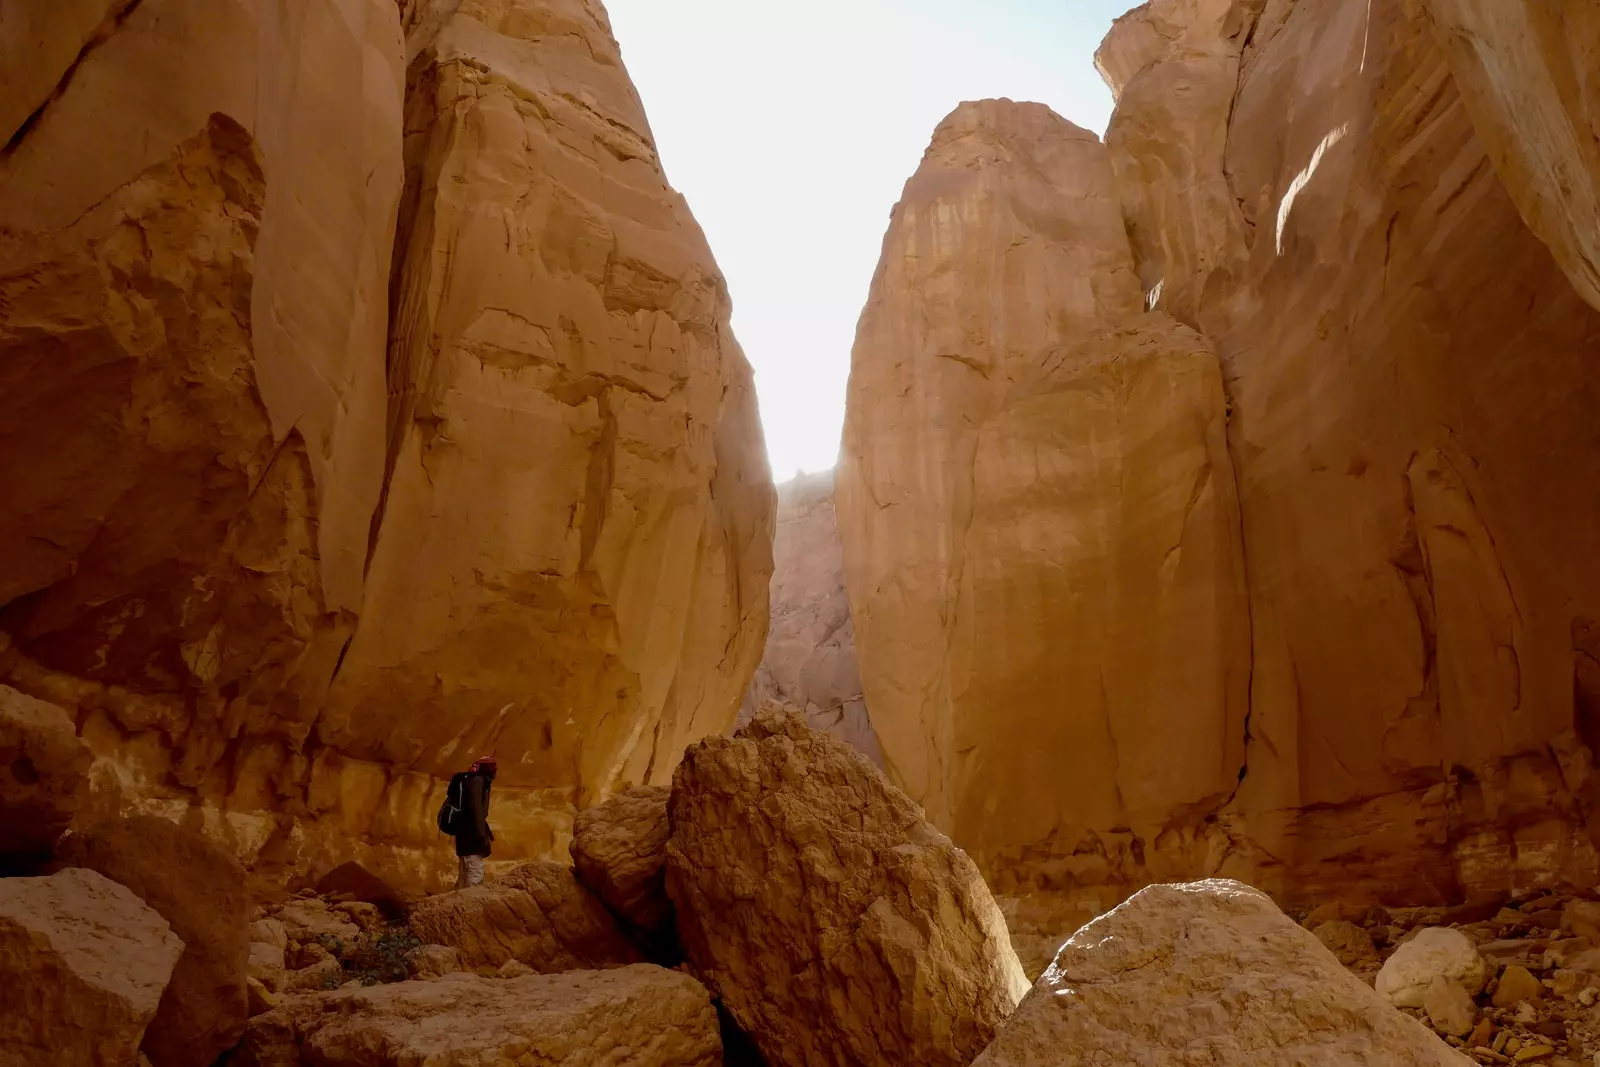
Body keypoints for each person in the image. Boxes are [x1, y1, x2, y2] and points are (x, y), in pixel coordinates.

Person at [450, 756, 496, 889]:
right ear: (486, 768)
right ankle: (469, 907)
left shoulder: (471, 781)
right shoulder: (478, 781)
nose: (495, 769)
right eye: (492, 766)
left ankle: (459, 905)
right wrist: (481, 835)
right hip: (471, 835)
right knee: (474, 874)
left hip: (465, 834)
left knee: (465, 874)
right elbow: (475, 809)